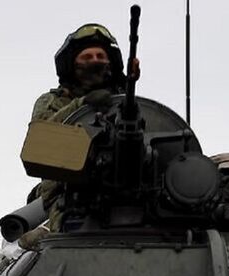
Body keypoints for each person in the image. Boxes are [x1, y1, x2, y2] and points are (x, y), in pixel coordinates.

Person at [19, 23, 139, 249]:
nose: (95, 61)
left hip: (132, 196)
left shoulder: (126, 104)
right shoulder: (52, 102)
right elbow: (40, 142)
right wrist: (83, 105)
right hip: (70, 197)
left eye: (101, 56)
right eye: (87, 57)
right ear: (71, 65)